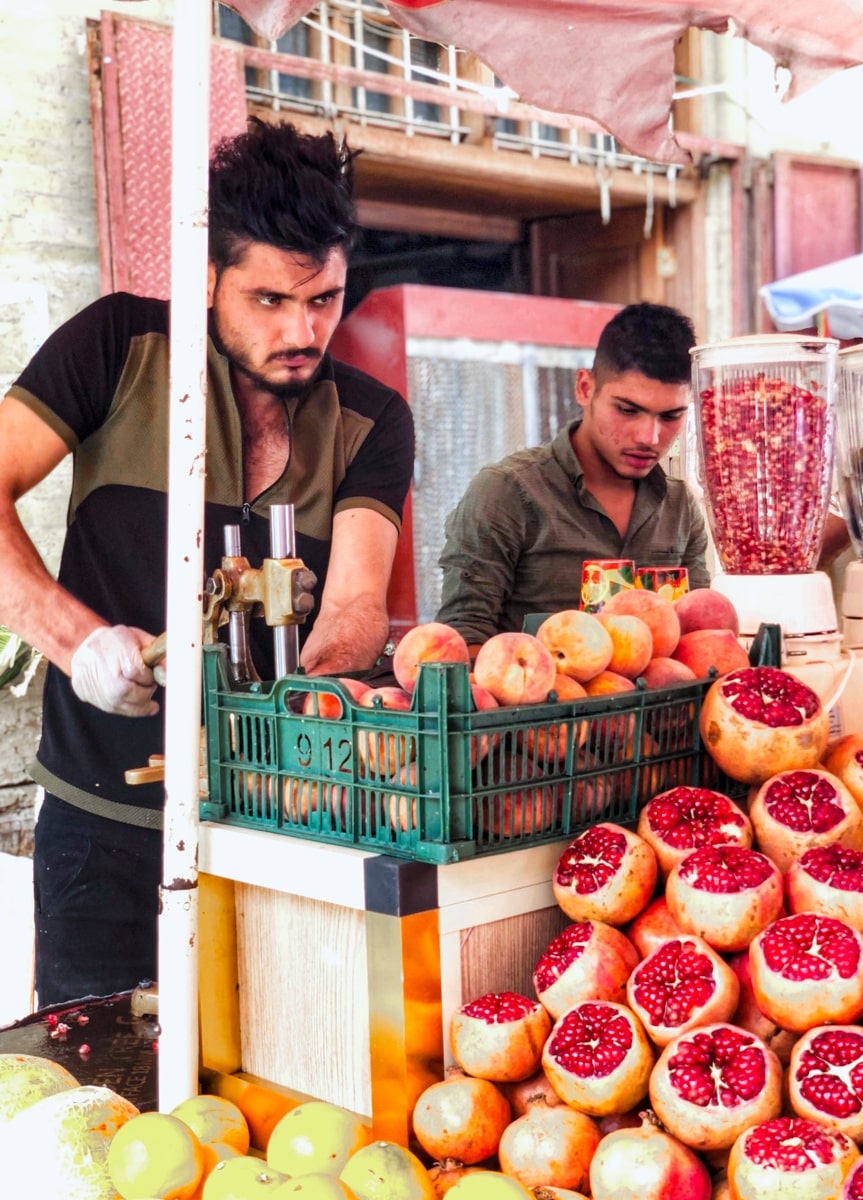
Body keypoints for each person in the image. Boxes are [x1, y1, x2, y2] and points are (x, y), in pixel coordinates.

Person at [0, 118, 414, 1006]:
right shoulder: (118, 349)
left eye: (325, 299)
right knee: (96, 1087)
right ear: (208, 276)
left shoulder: (373, 420)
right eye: (269, 300)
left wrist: (288, 719)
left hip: (280, 827)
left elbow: (352, 608)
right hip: (102, 826)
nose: (303, 331)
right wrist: (83, 646)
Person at [436, 303, 708, 651]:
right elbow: (459, 646)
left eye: (670, 416)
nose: (649, 437)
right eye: (627, 410)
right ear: (584, 388)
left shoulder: (680, 508)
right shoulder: (506, 493)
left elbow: (697, 640)